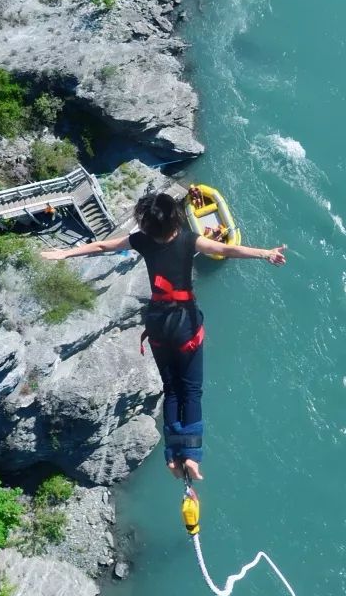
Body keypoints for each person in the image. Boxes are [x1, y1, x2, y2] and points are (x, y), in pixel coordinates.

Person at [41, 192, 285, 484]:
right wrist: (266, 253)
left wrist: (64, 253)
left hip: (157, 325)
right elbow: (229, 251)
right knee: (190, 391)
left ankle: (172, 457)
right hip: (184, 325)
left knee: (171, 390)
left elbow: (105, 244)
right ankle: (191, 457)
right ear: (175, 219)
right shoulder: (189, 240)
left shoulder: (141, 241)